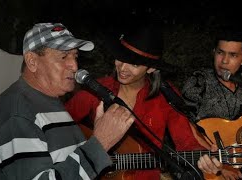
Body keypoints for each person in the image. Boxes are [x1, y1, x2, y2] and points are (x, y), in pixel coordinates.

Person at [65, 24, 222, 179]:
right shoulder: (96, 90)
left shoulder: (165, 97)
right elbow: (58, 124)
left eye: (134, 64)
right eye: (121, 58)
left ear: (151, 68)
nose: (123, 68)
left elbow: (185, 141)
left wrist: (204, 157)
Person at [0, 23, 136, 180]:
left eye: (75, 56)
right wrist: (100, 143)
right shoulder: (17, 111)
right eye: (63, 57)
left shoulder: (49, 101)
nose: (75, 66)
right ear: (32, 61)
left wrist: (98, 137)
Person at [181, 27, 242, 179]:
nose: (224, 61)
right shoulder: (199, 81)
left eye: (233, 55)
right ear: (214, 52)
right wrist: (221, 163)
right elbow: (185, 125)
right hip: (205, 167)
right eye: (220, 53)